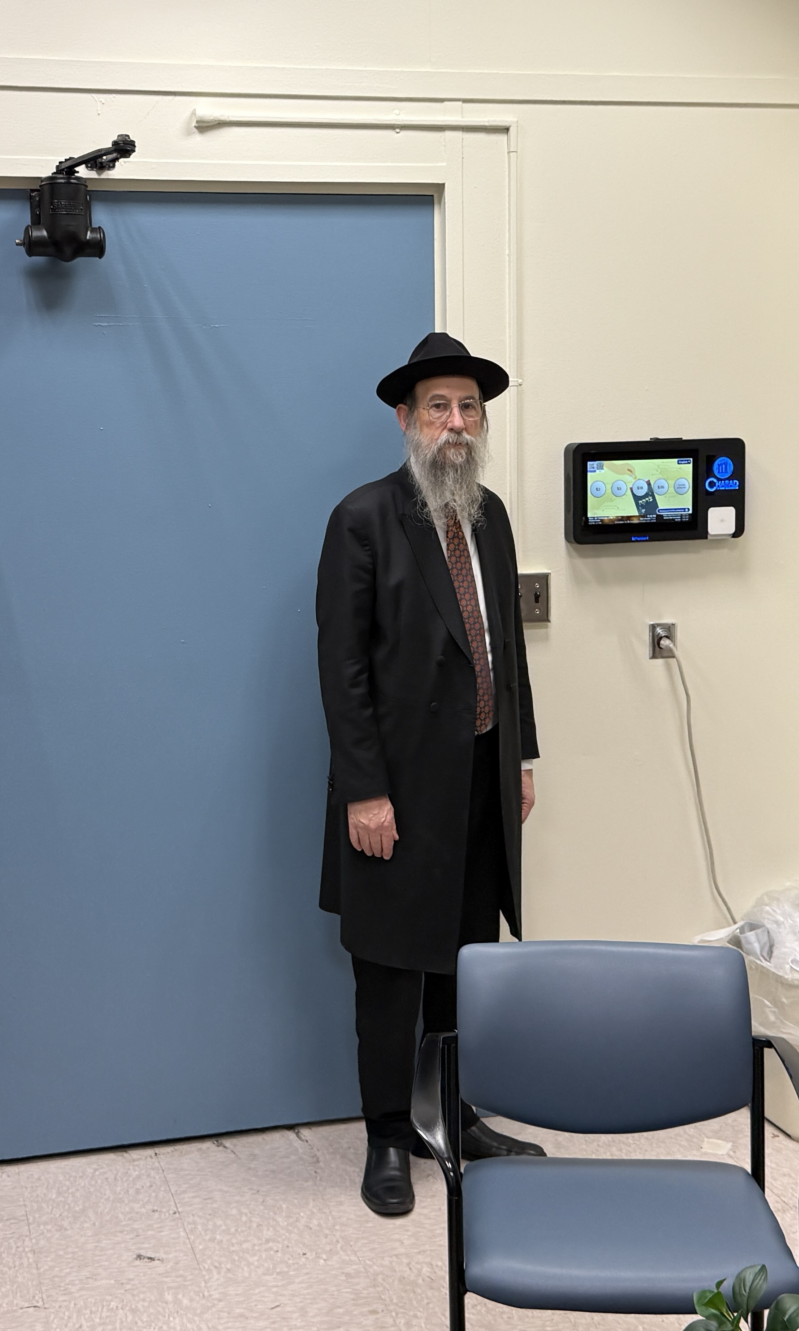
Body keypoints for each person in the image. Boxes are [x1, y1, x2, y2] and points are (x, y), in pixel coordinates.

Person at [315, 331, 544, 1217]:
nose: (457, 423)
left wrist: (521, 755)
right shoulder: (364, 519)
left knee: (463, 962)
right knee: (389, 970)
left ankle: (455, 1112)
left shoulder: (489, 514)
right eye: (440, 407)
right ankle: (385, 1136)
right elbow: (343, 671)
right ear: (405, 419)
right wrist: (365, 790)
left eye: (470, 407)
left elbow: (508, 652)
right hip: (396, 796)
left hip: (480, 783)